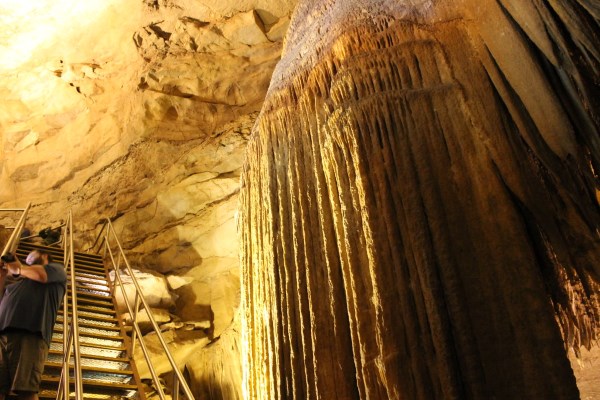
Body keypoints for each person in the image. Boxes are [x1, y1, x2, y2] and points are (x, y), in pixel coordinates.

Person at [0, 250, 67, 400]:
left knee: (26, 390)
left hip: (31, 334)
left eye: (31, 254)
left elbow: (41, 275)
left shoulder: (57, 270)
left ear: (44, 256)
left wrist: (18, 268)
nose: (27, 258)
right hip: (3, 334)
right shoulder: (17, 282)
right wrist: (3, 275)